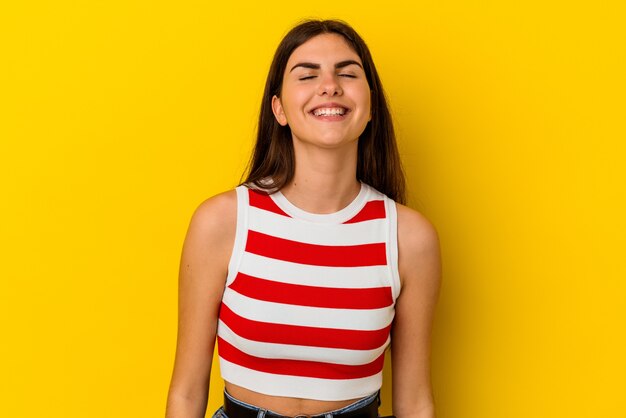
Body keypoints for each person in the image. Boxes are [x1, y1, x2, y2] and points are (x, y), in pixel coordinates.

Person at [166, 19, 441, 418]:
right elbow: (186, 393)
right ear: (278, 108)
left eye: (347, 73)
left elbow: (415, 401)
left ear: (371, 109)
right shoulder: (222, 222)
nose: (329, 85)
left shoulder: (408, 238)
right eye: (307, 75)